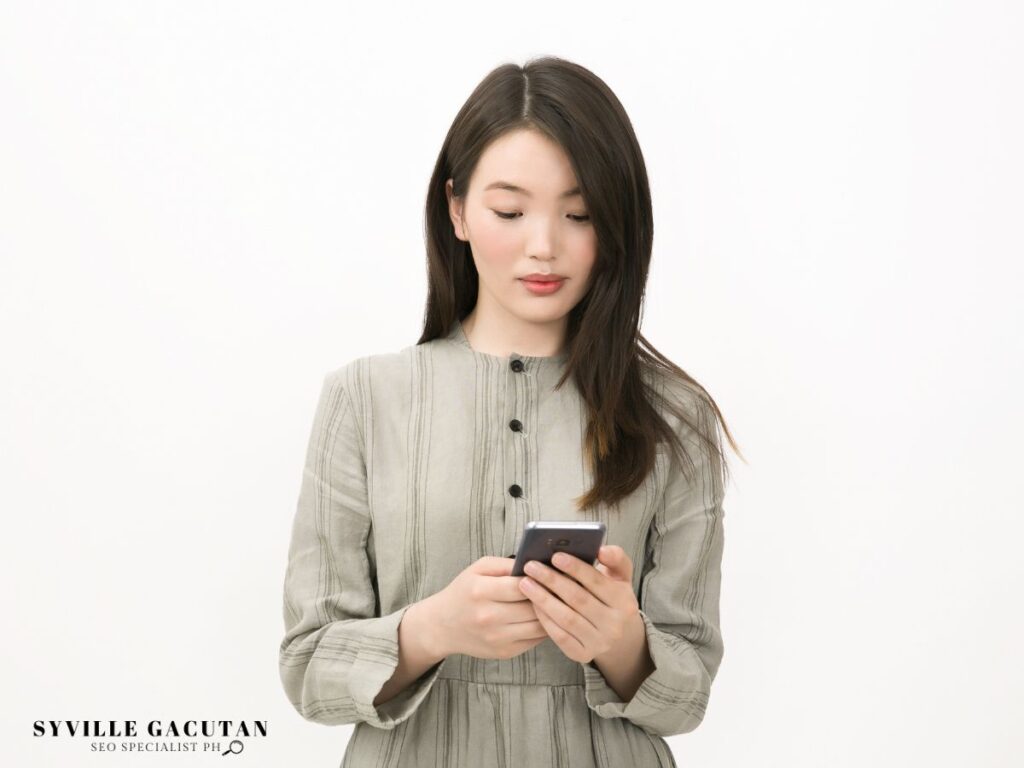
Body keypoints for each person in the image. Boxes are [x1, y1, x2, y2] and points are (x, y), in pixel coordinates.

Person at [278, 55, 742, 768]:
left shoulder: (675, 418)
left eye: (579, 213)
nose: (544, 246)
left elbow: (690, 696)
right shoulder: (364, 400)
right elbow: (308, 670)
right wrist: (432, 629)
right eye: (510, 209)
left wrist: (620, 642)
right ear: (457, 210)